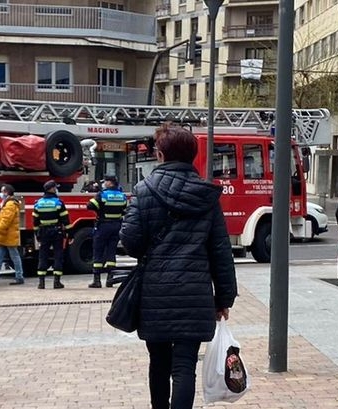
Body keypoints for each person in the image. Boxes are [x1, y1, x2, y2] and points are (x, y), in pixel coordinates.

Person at [119, 124, 237, 409]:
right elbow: (221, 251)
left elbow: (130, 242)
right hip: (195, 295)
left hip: (155, 294)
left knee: (158, 362)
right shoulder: (207, 195)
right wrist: (224, 298)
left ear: (159, 154)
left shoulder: (144, 191)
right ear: (192, 156)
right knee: (184, 367)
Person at [86, 175, 127, 288]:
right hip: (116, 226)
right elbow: (125, 211)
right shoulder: (122, 196)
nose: (104, 183)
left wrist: (100, 210)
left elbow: (89, 205)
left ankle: (97, 280)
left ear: (110, 183)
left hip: (103, 226)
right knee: (111, 252)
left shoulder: (102, 195)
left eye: (106, 181)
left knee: (98, 251)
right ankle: (110, 280)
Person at [32, 180, 71, 289]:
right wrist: (69, 234)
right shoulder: (58, 203)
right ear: (52, 189)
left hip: (43, 232)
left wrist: (37, 234)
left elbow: (35, 221)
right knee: (58, 255)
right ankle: (57, 282)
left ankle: (41, 283)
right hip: (56, 231)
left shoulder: (38, 203)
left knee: (42, 255)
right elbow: (65, 220)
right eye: (55, 187)